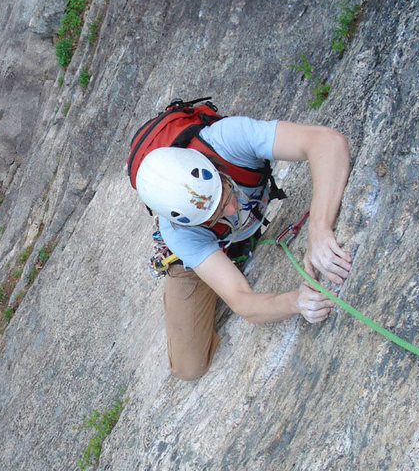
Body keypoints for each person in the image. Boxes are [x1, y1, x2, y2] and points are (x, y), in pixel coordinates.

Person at [135, 117, 352, 380]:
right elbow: (241, 301)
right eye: (216, 214)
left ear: (214, 169)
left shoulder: (227, 140)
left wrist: (319, 228)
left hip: (226, 232)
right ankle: (211, 265)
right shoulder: (181, 233)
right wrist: (296, 301)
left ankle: (225, 253)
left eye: (225, 194)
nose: (231, 208)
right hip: (202, 247)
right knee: (189, 367)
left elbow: (327, 143)